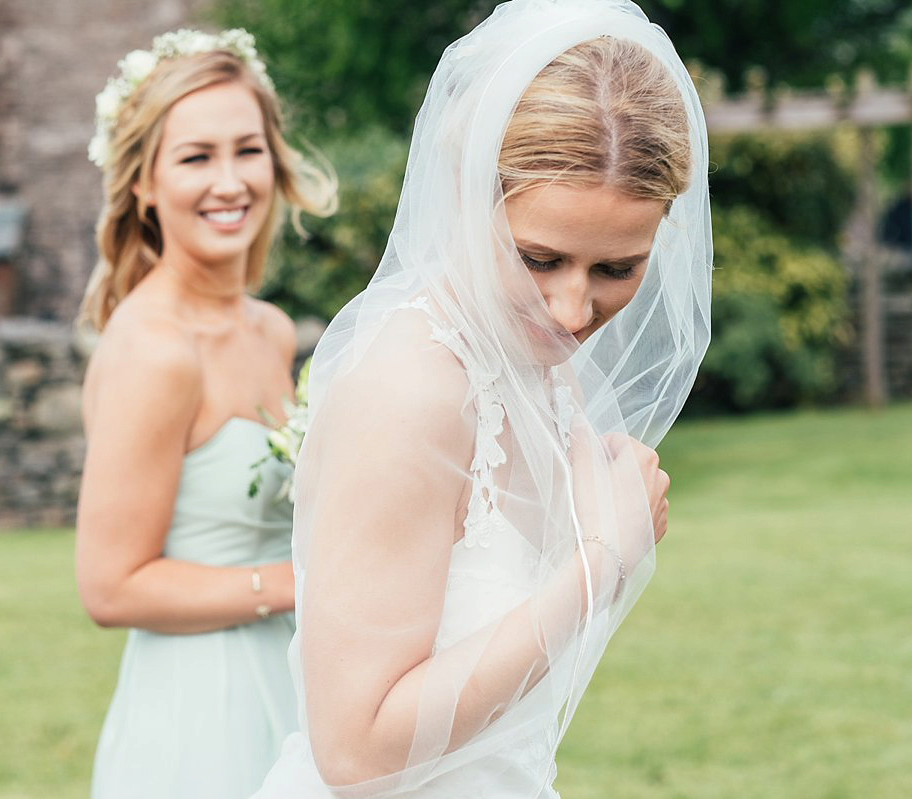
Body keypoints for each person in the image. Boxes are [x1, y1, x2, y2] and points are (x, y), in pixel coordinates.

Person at [253, 1, 712, 797]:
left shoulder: (535, 360)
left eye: (617, 268)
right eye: (540, 257)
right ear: (468, 195)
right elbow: (355, 752)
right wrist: (601, 560)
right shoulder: (411, 389)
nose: (573, 312)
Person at [73, 28, 337, 799]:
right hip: (201, 710)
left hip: (300, 685)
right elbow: (111, 586)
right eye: (196, 157)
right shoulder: (154, 351)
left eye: (247, 149)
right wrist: (310, 582)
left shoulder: (271, 329)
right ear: (145, 184)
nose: (231, 181)